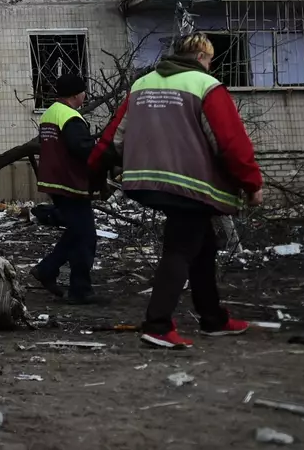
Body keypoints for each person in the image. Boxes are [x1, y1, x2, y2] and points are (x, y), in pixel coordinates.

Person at [89, 33, 263, 349]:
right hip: (191, 184)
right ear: (201, 57)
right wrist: (251, 183)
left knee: (203, 246)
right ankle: (157, 325)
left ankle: (213, 318)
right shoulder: (205, 86)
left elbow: (114, 136)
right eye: (210, 60)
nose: (210, 66)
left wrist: (95, 171)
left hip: (147, 179)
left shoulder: (142, 85)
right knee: (181, 248)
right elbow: (230, 143)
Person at [30, 72, 104, 305]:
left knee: (77, 231)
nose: (85, 95)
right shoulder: (70, 117)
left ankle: (48, 270)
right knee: (86, 236)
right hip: (71, 182)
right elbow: (81, 148)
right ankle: (79, 290)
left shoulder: (50, 114)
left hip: (55, 181)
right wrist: (104, 157)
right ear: (75, 94)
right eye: (83, 91)